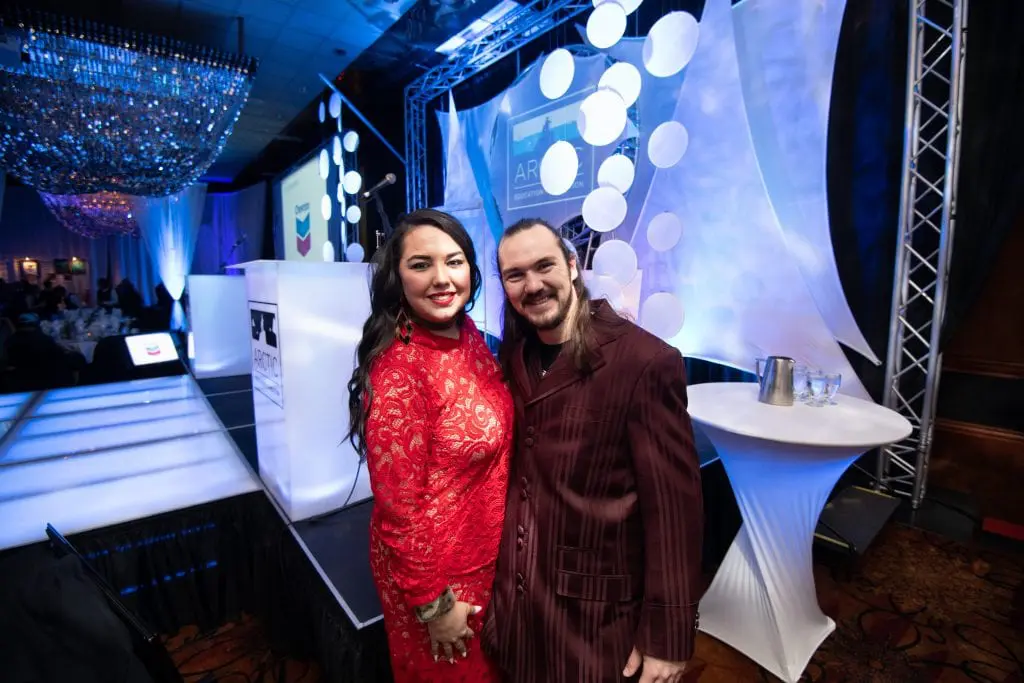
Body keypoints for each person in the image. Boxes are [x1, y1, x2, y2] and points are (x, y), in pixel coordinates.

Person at [483, 219, 704, 683]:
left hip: (595, 623)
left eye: (544, 266)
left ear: (572, 265)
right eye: (515, 275)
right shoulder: (516, 352)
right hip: (518, 611)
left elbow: (674, 513)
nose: (532, 285)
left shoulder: (644, 362)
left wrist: (667, 635)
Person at [346, 209, 512, 683]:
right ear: (397, 277)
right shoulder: (400, 372)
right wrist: (435, 607)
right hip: (439, 580)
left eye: (454, 262)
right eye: (421, 264)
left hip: (484, 561)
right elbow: (399, 514)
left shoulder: (465, 332)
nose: (442, 278)